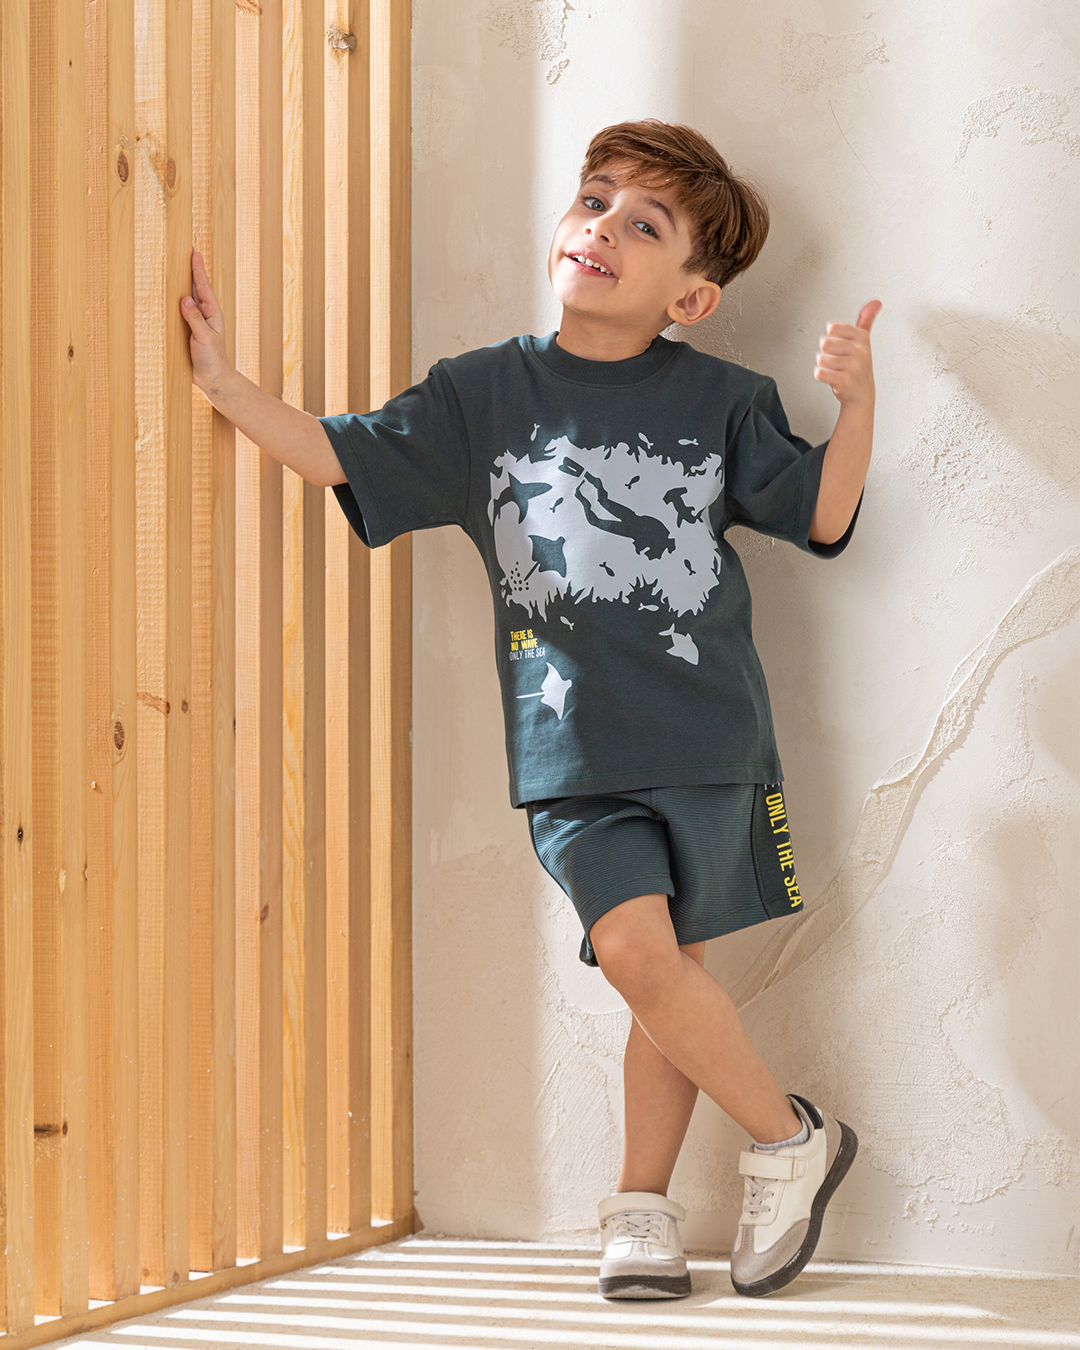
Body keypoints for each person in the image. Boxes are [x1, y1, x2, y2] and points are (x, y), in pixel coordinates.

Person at [182, 118, 880, 1300]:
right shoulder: (482, 395)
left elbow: (819, 513)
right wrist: (224, 384)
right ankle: (788, 1139)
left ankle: (643, 1208)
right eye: (593, 199)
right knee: (638, 955)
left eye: (643, 224)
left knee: (662, 974)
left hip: (708, 738)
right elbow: (336, 454)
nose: (601, 227)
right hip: (569, 751)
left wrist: (854, 406)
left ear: (692, 297)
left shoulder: (721, 399)